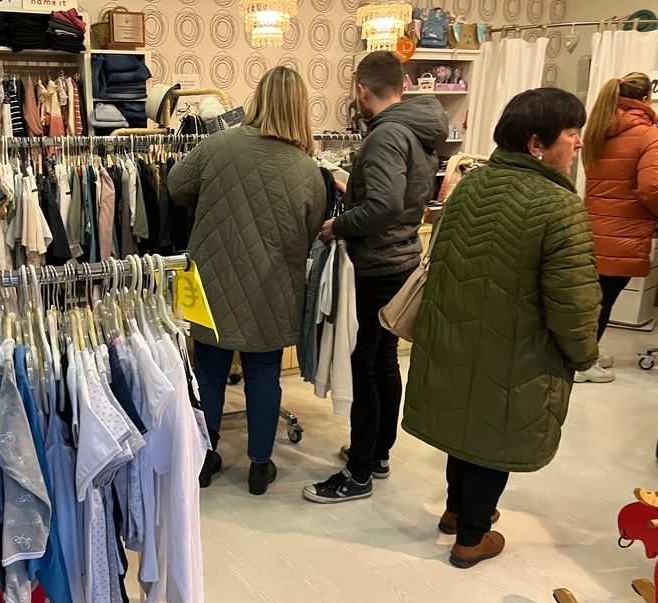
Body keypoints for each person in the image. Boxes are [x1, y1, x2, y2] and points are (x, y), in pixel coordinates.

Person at [401, 88, 601, 568]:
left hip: (457, 336)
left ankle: (455, 510)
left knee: (466, 421)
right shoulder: (560, 206)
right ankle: (472, 537)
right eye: (571, 133)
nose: (578, 143)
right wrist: (583, 353)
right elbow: (573, 299)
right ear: (537, 143)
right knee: (496, 433)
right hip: (518, 348)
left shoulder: (470, 186)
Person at [168, 66, 327, 496]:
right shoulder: (308, 169)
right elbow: (310, 231)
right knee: (264, 376)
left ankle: (204, 460)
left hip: (210, 282)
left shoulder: (218, 145)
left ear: (258, 99)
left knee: (209, 372)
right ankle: (259, 466)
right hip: (272, 288)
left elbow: (176, 186)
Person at [302, 51, 447, 504]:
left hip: (378, 262)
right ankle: (378, 453)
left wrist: (340, 224)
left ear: (363, 91)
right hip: (402, 257)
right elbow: (398, 197)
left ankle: (359, 472)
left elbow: (384, 204)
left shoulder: (386, 135)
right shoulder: (416, 129)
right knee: (383, 360)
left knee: (363, 366)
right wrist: (356, 190)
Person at [581, 72, 658, 383]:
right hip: (624, 231)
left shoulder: (599, 129)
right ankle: (583, 363)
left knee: (593, 297)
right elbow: (652, 187)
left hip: (593, 226)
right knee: (604, 299)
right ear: (645, 99)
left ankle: (586, 353)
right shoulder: (648, 135)